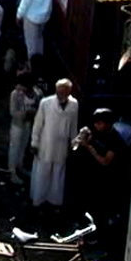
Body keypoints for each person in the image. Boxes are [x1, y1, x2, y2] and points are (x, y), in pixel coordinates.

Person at [30, 79, 79, 210]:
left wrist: (73, 145)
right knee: (42, 172)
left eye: (64, 91)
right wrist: (34, 143)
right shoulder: (45, 103)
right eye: (59, 91)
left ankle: (54, 202)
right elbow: (38, 124)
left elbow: (74, 126)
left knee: (58, 174)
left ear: (69, 91)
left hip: (62, 145)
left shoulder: (74, 104)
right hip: (46, 143)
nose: (61, 94)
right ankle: (38, 201)